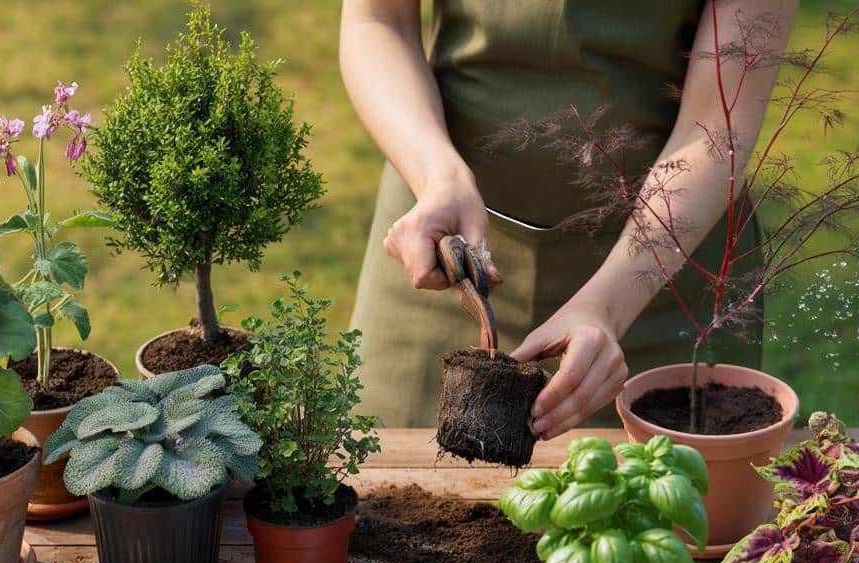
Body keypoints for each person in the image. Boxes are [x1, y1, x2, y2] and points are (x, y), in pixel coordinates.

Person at [341, 0, 797, 438]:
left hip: (658, 272)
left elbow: (717, 125)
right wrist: (435, 173)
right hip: (443, 243)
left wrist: (607, 307)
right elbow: (379, 22)